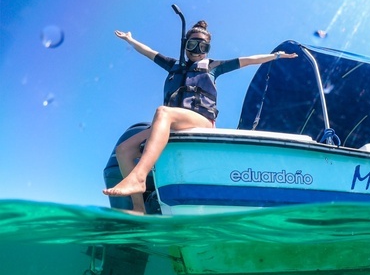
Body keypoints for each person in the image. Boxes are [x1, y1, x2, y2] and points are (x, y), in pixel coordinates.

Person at [103, 21, 297, 213]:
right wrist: (130, 39)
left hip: (201, 120)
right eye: (192, 45)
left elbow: (250, 59)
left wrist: (277, 56)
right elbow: (148, 52)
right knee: (124, 150)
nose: (197, 50)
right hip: (173, 123)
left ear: (208, 49)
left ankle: (139, 177)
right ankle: (139, 207)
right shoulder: (173, 65)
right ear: (185, 45)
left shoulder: (213, 67)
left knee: (163, 112)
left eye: (203, 46)